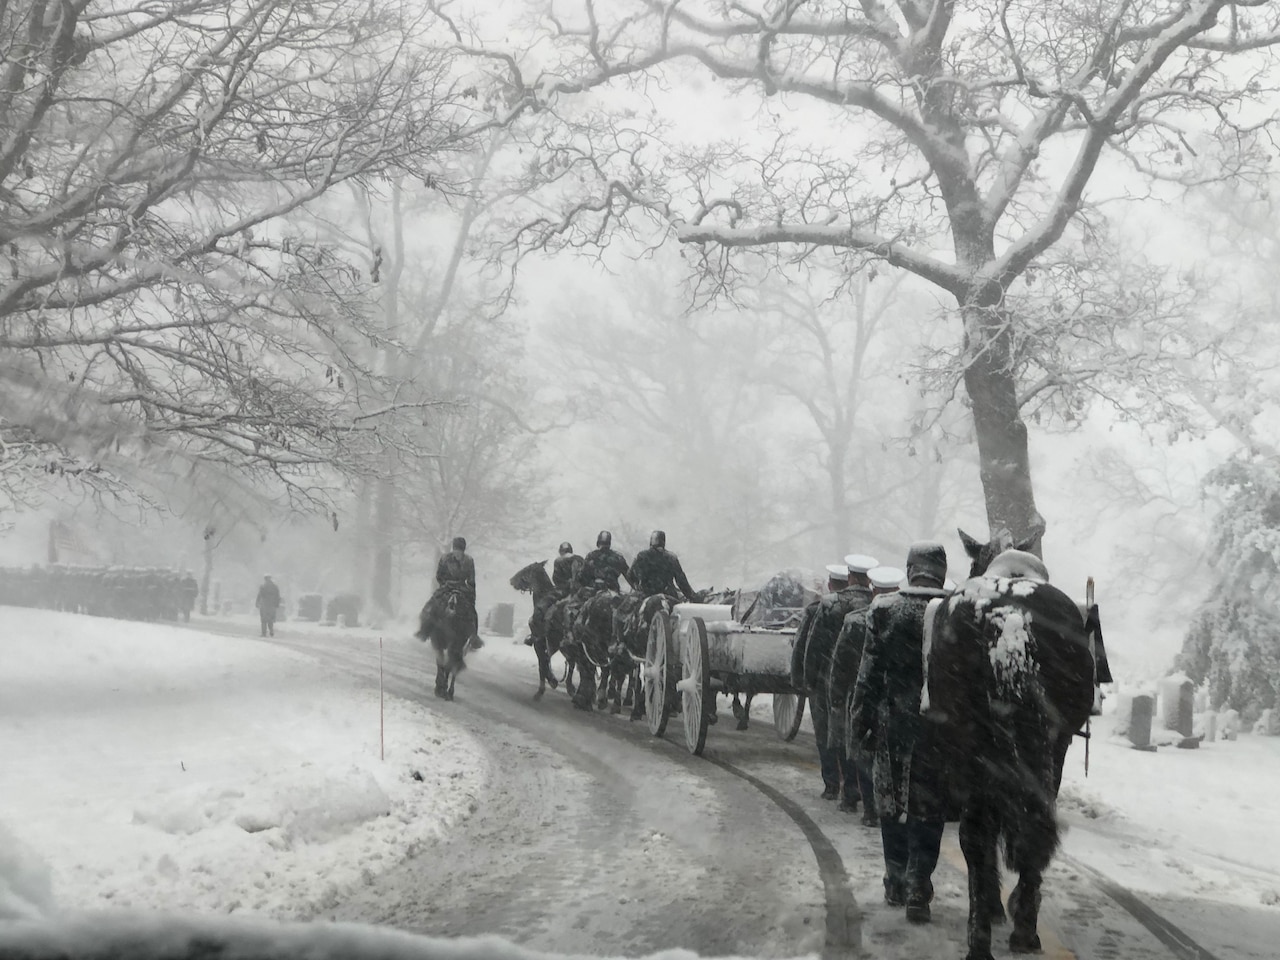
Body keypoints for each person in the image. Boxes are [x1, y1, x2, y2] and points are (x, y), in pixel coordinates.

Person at [848, 542, 954, 923]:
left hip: (893, 723)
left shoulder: (885, 610)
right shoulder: (954, 611)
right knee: (930, 809)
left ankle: (895, 877)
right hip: (941, 729)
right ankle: (919, 886)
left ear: (911, 570)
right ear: (941, 572)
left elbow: (868, 675)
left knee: (891, 804)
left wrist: (860, 724)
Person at [790, 553, 877, 802]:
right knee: (861, 734)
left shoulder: (828, 605)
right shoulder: (876, 604)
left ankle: (832, 785)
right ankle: (861, 787)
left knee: (828, 733)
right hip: (865, 678)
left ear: (849, 577)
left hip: (828, 678)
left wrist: (807, 678)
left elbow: (812, 645)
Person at [427, 537, 479, 647]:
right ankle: (426, 628)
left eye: (460, 550)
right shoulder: (445, 559)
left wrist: (470, 590)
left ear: (463, 550)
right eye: (456, 550)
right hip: (447, 586)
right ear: (453, 549)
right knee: (433, 602)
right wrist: (446, 584)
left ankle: (474, 637)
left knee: (472, 611)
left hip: (462, 587)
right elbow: (439, 576)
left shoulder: (469, 561)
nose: (458, 553)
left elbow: (471, 579)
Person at [627, 530, 698, 600]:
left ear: (651, 541)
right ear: (663, 541)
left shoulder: (641, 555)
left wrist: (636, 585)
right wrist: (693, 597)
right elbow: (681, 582)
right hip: (668, 594)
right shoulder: (672, 557)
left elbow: (630, 575)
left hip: (646, 594)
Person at [573, 530, 632, 594]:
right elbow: (630, 577)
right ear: (609, 543)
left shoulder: (591, 556)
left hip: (593, 592)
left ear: (598, 543)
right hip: (613, 592)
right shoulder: (618, 557)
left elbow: (582, 578)